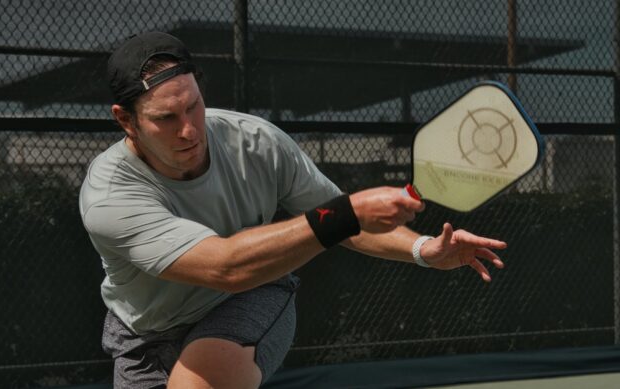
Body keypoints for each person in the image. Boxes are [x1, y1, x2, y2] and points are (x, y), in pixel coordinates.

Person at [79, 31, 507, 389]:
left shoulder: (257, 143)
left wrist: (424, 248)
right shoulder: (110, 195)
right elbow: (224, 264)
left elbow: (340, 222)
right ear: (126, 120)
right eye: (166, 118)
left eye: (193, 105)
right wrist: (346, 214)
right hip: (144, 333)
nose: (189, 129)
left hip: (246, 298)